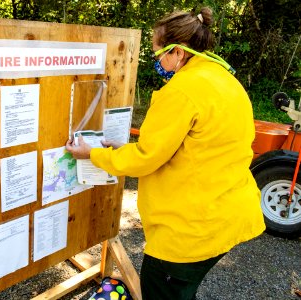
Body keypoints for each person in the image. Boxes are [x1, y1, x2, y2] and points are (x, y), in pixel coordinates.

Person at [66, 7, 266, 300]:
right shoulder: (225, 79)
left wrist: (92, 155)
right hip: (226, 214)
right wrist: (130, 149)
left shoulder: (181, 90)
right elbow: (190, 146)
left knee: (162, 289)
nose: (157, 60)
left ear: (179, 52)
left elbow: (145, 160)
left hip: (190, 230)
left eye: (159, 53)